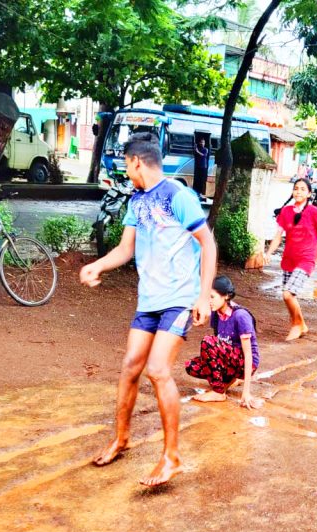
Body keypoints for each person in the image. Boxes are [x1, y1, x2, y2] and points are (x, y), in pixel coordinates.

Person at [80, 132, 217, 487]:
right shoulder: (136, 201)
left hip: (178, 299)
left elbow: (208, 243)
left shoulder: (178, 196)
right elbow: (126, 249)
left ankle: (171, 457)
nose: (126, 171)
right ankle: (121, 438)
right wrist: (99, 266)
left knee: (157, 370)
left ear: (136, 161)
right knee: (130, 367)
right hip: (149, 300)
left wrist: (203, 297)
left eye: (126, 164)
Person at [265, 178, 317, 340]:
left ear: (309, 193)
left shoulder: (314, 212)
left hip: (306, 259)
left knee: (287, 294)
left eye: (303, 189)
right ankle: (300, 324)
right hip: (289, 259)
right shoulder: (286, 212)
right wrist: (268, 253)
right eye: (296, 188)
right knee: (289, 295)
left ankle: (297, 325)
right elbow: (278, 236)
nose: (298, 192)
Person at [185, 275, 262, 409]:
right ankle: (229, 381)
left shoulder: (240, 316)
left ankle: (218, 393)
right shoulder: (216, 313)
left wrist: (246, 392)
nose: (209, 301)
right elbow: (219, 348)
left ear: (226, 296)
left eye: (212, 297)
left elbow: (248, 354)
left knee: (208, 341)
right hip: (231, 360)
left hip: (245, 362)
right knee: (192, 366)